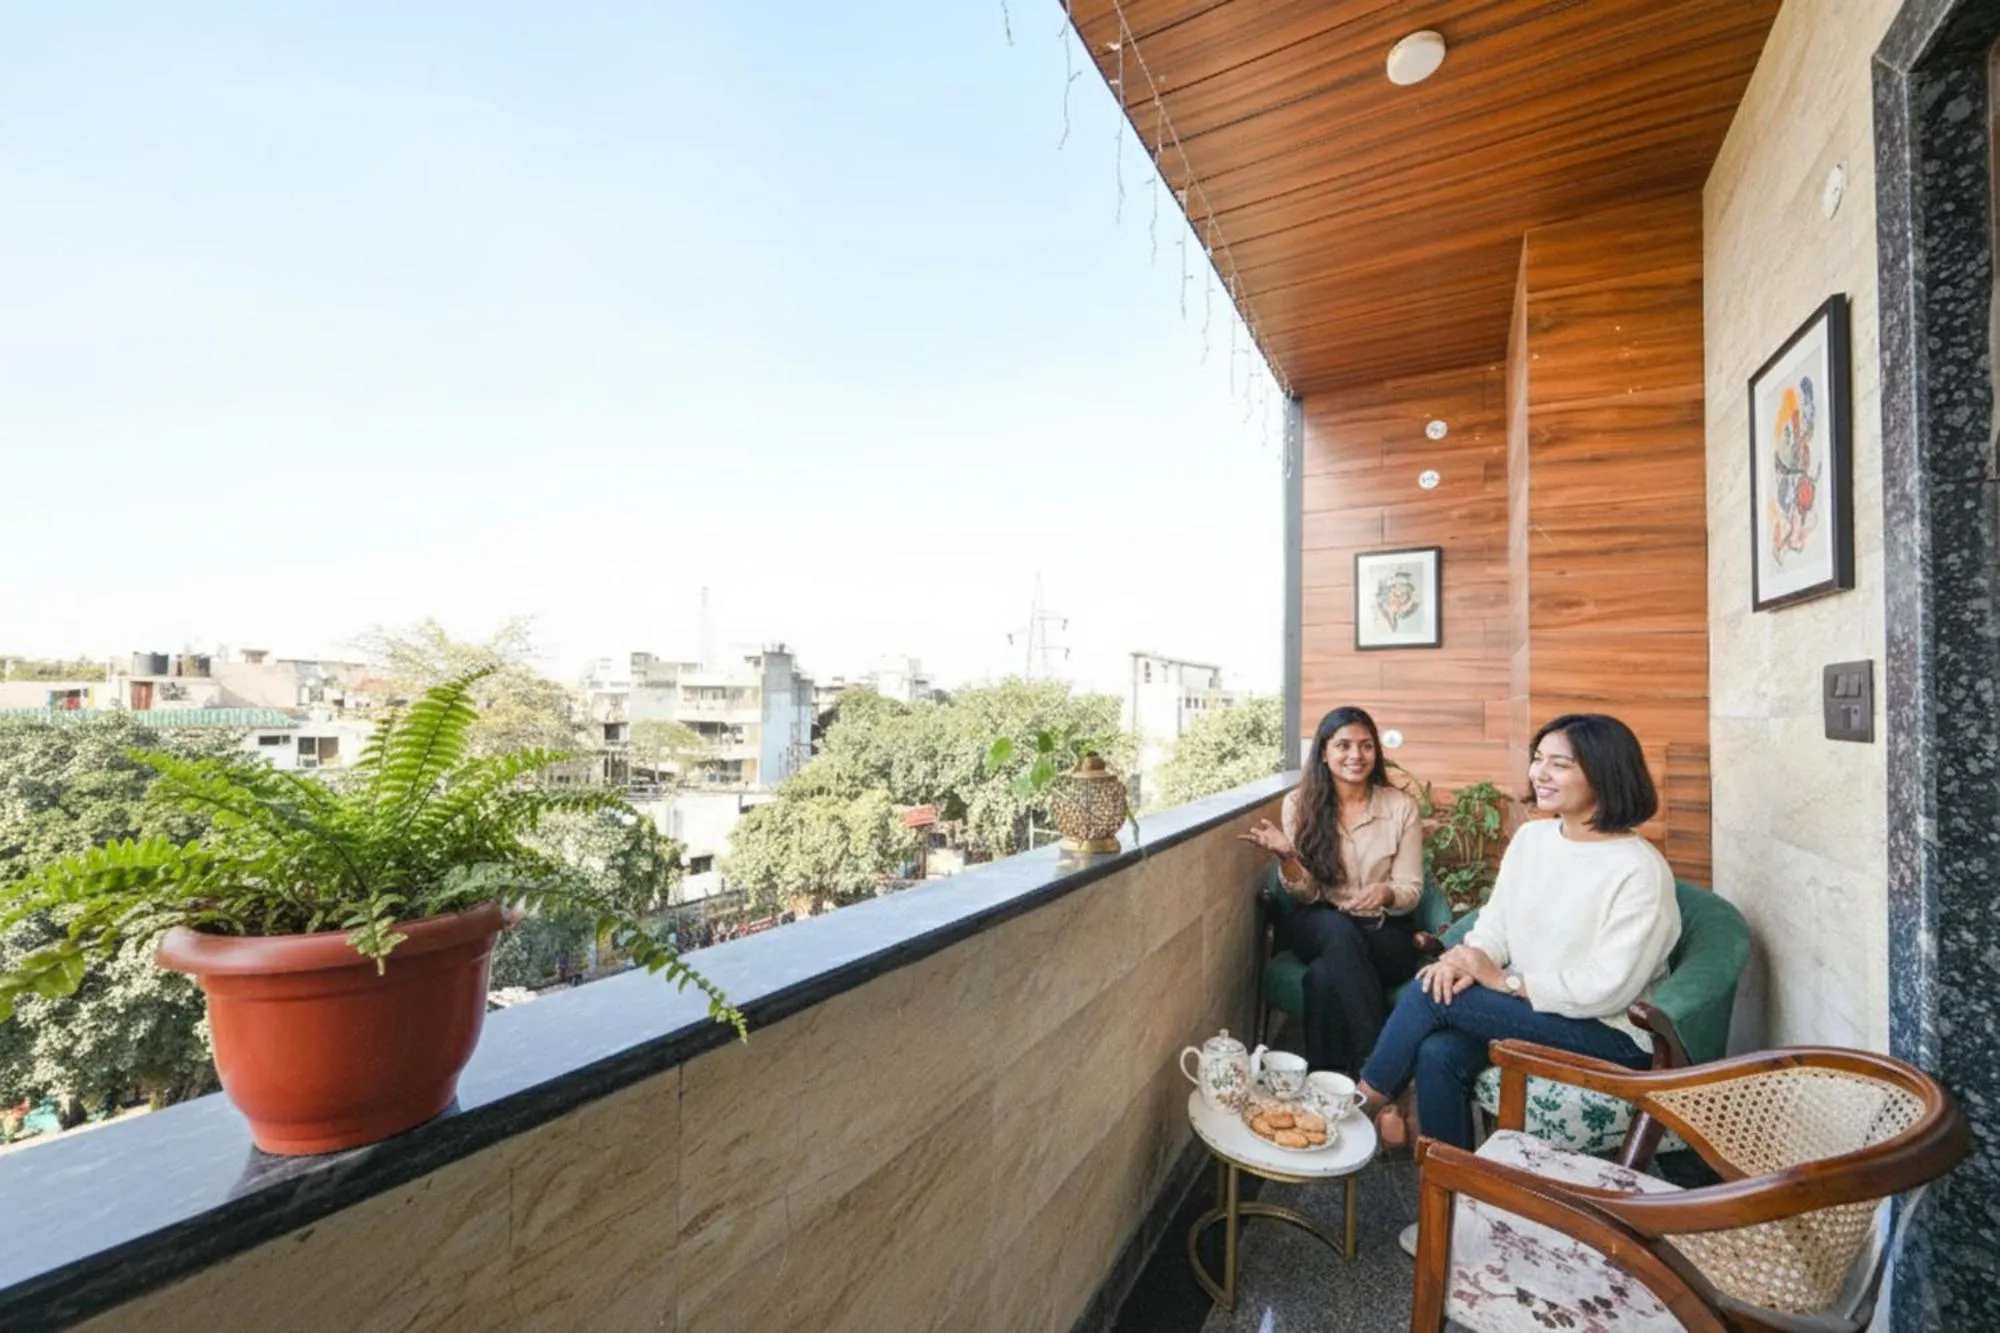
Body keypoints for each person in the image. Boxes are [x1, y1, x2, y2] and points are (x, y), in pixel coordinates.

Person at [1356, 713, 1682, 1167]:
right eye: (1538, 759)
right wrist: (1465, 959)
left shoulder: (1638, 869)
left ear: (1605, 773)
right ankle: (1451, 1208)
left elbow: (1609, 988)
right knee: (1438, 1050)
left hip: (1610, 1031)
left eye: (1560, 764)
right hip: (1537, 1011)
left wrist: (1502, 982)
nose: (1539, 774)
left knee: (1430, 997)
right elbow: (1495, 921)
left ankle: (1361, 1104)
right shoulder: (1533, 838)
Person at [1239, 706, 1426, 1075]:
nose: (1356, 756)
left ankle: (1328, 1089)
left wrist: (1386, 893)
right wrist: (1288, 857)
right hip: (1320, 922)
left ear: (1377, 752)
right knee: (1336, 930)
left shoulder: (1401, 806)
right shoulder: (1300, 804)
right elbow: (1305, 895)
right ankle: (1383, 1073)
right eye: (1343, 745)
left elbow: (1412, 889)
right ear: (1323, 752)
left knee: (1324, 978)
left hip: (1384, 930)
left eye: (1366, 745)